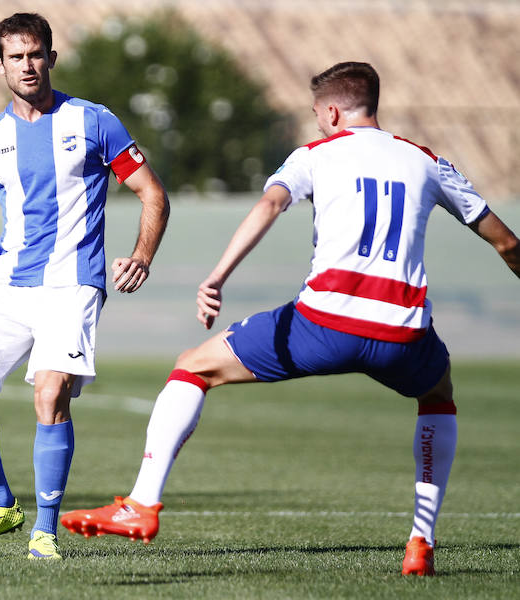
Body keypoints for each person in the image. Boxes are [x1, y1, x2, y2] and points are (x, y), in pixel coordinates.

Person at [61, 61, 520, 575]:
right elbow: (506, 243)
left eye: (317, 116)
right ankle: (421, 543)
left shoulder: (315, 155)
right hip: (402, 332)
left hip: (323, 324)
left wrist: (216, 277)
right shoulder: (427, 160)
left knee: (193, 366)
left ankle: (142, 504)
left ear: (330, 111)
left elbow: (269, 206)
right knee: (438, 395)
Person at [0, 12, 169, 560]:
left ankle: (45, 530)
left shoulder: (96, 122)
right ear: (0, 64)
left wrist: (143, 254)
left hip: (73, 282)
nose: (27, 65)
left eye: (36, 54)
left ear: (52, 58)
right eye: (16, 56)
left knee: (50, 393)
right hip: (8, 283)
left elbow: (153, 193)